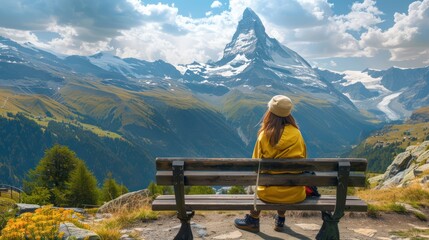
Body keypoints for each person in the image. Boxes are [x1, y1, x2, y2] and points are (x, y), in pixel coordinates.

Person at [234, 95, 307, 233]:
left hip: (267, 194)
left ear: (270, 112)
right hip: (294, 193)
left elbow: (255, 164)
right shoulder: (297, 134)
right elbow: (303, 161)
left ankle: (253, 220)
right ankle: (280, 219)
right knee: (286, 180)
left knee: (254, 183)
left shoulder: (264, 135)